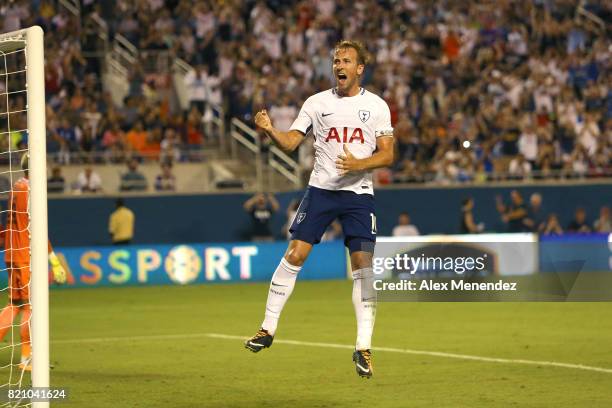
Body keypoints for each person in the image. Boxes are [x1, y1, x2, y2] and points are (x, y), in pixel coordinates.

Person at [245, 40, 394, 378]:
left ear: (360, 68)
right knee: (295, 254)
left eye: (346, 60)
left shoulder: (377, 106)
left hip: (358, 193)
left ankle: (363, 348)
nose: (339, 65)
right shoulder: (316, 103)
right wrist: (270, 130)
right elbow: (290, 143)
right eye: (336, 60)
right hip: (322, 191)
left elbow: (388, 155)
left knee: (362, 265)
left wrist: (360, 164)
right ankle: (267, 329)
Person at [0, 154, 66, 372]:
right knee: (31, 306)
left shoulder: (17, 185)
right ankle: (27, 359)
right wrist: (54, 261)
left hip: (11, 251)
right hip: (24, 253)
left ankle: (27, 358)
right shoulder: (32, 190)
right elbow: (37, 229)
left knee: (14, 305)